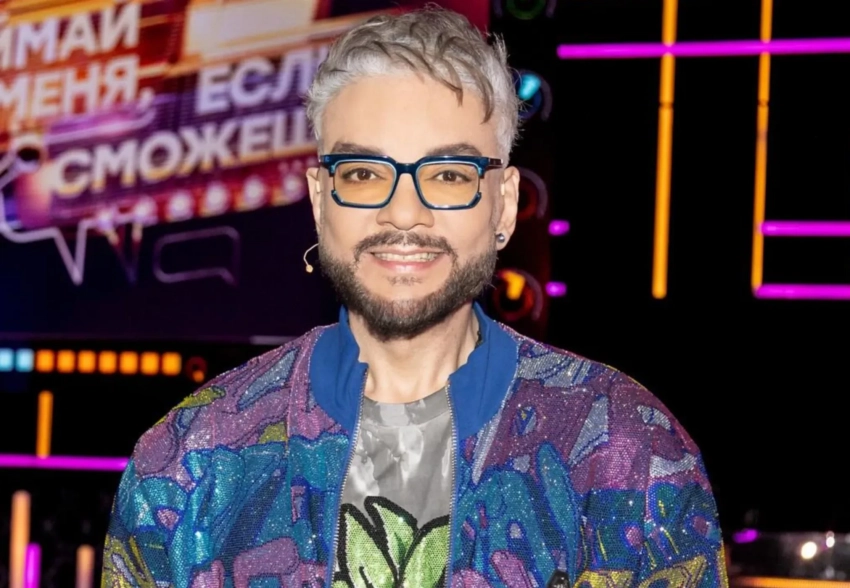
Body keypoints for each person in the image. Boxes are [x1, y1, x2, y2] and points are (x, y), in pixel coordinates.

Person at [101, 7, 728, 588]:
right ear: (320, 201)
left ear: (505, 203)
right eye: (364, 174)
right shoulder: (188, 462)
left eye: (449, 175)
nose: (404, 212)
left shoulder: (627, 453)